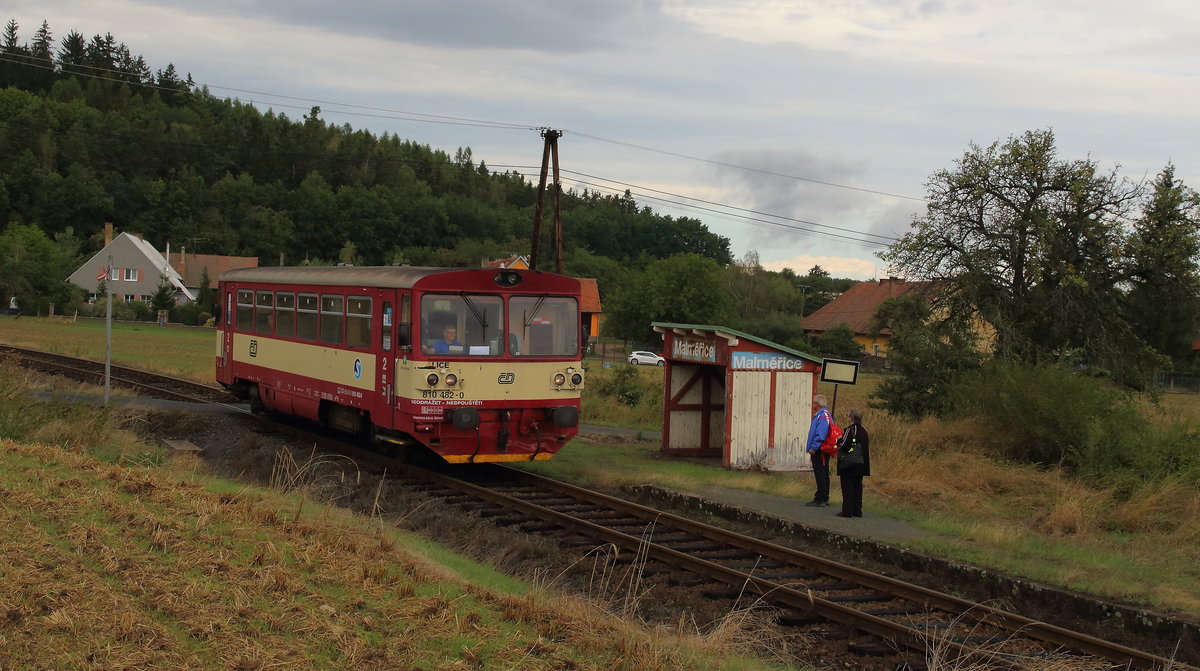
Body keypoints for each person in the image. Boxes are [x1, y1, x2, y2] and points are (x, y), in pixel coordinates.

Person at [835, 408, 871, 518]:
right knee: (857, 487)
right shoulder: (864, 430)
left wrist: (838, 442)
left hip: (849, 464)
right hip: (862, 463)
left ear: (851, 418)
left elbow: (844, 445)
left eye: (848, 416)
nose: (847, 418)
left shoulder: (850, 429)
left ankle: (847, 511)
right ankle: (857, 510)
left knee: (847, 487)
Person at [805, 394, 832, 507]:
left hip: (820, 450)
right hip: (822, 449)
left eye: (814, 403)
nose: (813, 405)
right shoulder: (825, 415)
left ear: (818, 404)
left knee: (820, 473)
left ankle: (820, 498)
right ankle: (824, 497)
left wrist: (814, 447)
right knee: (824, 473)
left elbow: (821, 434)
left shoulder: (822, 416)